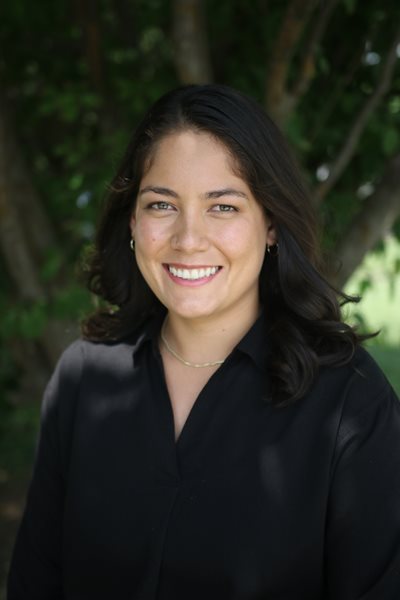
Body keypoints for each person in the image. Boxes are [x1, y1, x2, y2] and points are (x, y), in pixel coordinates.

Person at [7, 84, 400, 600]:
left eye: (223, 207)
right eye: (162, 204)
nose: (188, 239)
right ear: (133, 220)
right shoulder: (82, 380)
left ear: (272, 225)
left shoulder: (351, 404)